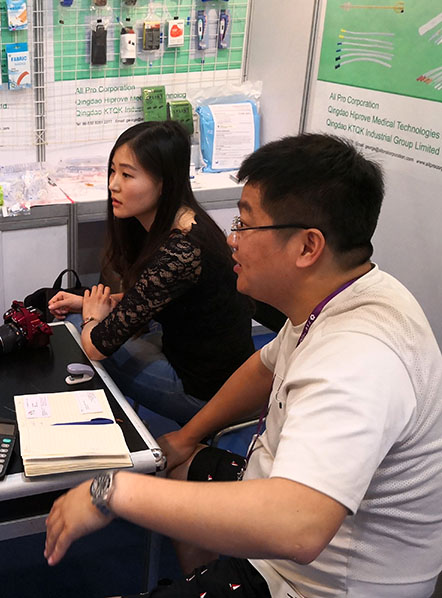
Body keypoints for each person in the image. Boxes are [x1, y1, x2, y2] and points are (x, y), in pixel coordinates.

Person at [44, 133, 442, 597]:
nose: (232, 240)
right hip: (278, 503)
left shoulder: (359, 358)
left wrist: (112, 490)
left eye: (246, 225)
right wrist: (187, 437)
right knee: (179, 465)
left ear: (307, 247)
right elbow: (263, 367)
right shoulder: (341, 296)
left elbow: (298, 527)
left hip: (317, 583)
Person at [49, 121, 254, 425]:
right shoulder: (186, 221)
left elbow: (95, 346)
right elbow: (150, 295)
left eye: (127, 175)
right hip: (206, 366)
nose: (113, 184)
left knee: (81, 333)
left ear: (163, 182)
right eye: (112, 171)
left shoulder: (181, 251)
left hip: (206, 394)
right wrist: (86, 303)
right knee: (81, 318)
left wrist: (91, 316)